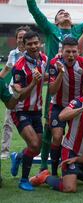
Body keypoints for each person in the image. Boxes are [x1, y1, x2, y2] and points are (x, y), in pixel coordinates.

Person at [26, 0, 83, 172]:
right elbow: (35, 11)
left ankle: (73, 164)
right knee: (50, 130)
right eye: (61, 13)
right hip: (55, 92)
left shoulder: (77, 31)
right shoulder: (51, 29)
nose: (65, 13)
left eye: (67, 13)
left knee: (75, 133)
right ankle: (45, 165)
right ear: (56, 21)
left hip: (76, 100)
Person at [29, 76, 83, 192]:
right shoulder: (79, 102)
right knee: (69, 188)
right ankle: (45, 177)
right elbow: (62, 116)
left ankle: (73, 172)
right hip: (70, 151)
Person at [48, 37, 83, 176]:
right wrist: (61, 73)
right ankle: (54, 172)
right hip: (58, 105)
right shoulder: (55, 63)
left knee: (78, 139)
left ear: (79, 51)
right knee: (57, 137)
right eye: (68, 52)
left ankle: (75, 168)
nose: (71, 55)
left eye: (74, 51)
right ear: (62, 51)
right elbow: (52, 90)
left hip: (77, 106)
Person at [9, 31, 48, 191]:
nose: (33, 46)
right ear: (23, 46)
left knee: (37, 147)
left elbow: (45, 78)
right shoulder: (19, 66)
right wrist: (33, 83)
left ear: (40, 43)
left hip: (36, 110)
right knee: (33, 144)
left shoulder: (44, 60)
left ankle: (17, 156)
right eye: (29, 44)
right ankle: (23, 180)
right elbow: (18, 94)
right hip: (20, 110)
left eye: (35, 43)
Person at [0, 26, 30, 159]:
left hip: (29, 93)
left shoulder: (33, 53)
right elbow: (7, 69)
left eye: (24, 37)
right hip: (13, 93)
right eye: (19, 37)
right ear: (16, 39)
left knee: (30, 123)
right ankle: (5, 151)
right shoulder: (13, 54)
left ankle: (30, 150)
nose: (21, 40)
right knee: (8, 123)